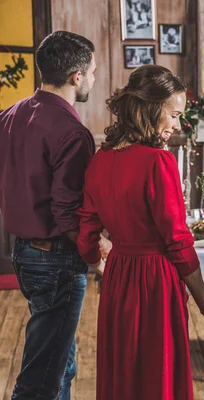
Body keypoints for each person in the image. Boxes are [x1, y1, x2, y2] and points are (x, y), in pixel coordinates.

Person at [76, 64, 204, 400]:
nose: (176, 126)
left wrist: (100, 262)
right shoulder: (158, 163)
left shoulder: (99, 160)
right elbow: (178, 241)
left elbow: (87, 233)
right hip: (155, 281)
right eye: (174, 115)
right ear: (152, 108)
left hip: (118, 276)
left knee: (123, 370)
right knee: (156, 375)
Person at [0, 31, 110, 400]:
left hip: (24, 253)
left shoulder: (10, 115)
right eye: (93, 72)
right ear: (76, 76)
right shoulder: (73, 133)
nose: (94, 79)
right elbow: (66, 212)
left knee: (61, 362)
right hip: (55, 259)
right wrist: (96, 251)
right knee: (42, 378)